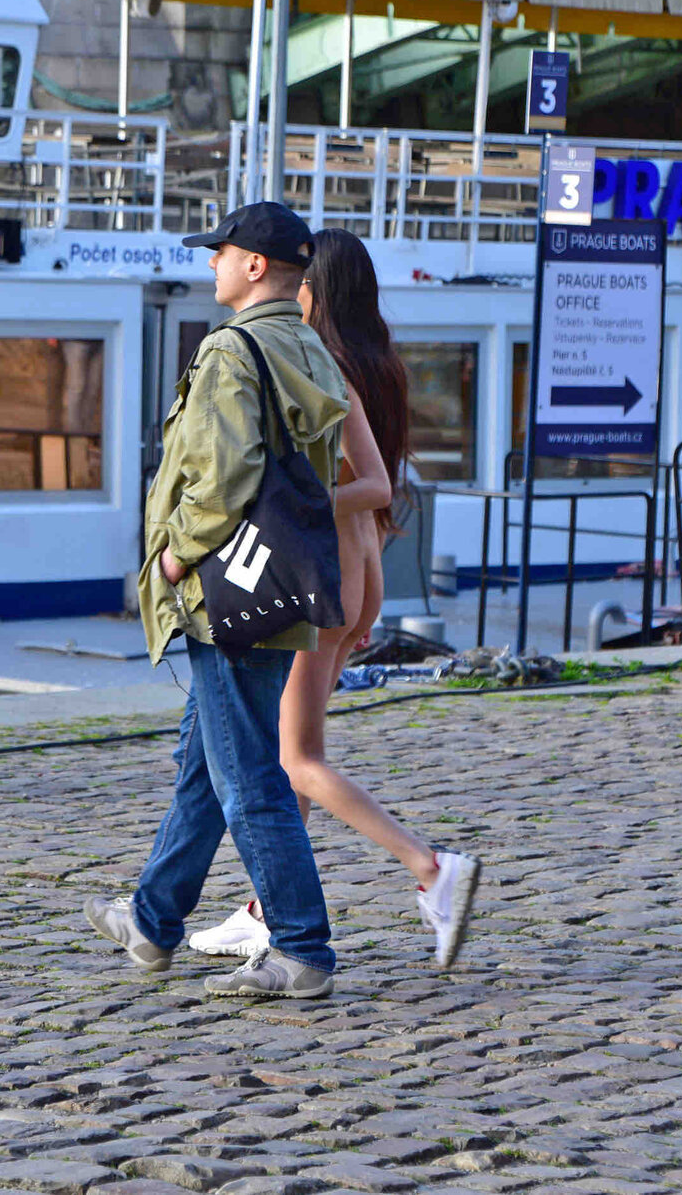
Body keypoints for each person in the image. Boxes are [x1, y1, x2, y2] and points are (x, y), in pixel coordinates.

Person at [187, 228, 482, 971]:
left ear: (311, 291)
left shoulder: (327, 367)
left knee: (296, 758)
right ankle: (263, 909)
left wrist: (284, 501)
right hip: (364, 569)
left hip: (327, 577)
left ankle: (430, 868)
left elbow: (363, 484)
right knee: (298, 744)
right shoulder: (378, 365)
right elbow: (381, 484)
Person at [84, 201, 352, 1001]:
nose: (211, 263)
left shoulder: (232, 350)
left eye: (221, 252)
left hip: (224, 594)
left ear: (255, 265)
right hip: (278, 588)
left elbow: (225, 476)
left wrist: (175, 555)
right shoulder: (308, 346)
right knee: (208, 764)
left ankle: (302, 949)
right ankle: (152, 920)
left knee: (248, 778)